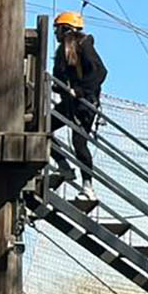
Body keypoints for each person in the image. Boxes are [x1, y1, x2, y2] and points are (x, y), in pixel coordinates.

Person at [51, 11, 107, 191]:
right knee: (43, 128)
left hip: (85, 104)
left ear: (65, 28)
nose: (55, 33)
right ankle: (64, 167)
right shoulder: (63, 50)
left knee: (79, 142)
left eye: (57, 29)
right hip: (70, 103)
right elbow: (61, 76)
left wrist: (80, 91)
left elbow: (99, 71)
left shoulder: (83, 44)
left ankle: (88, 188)